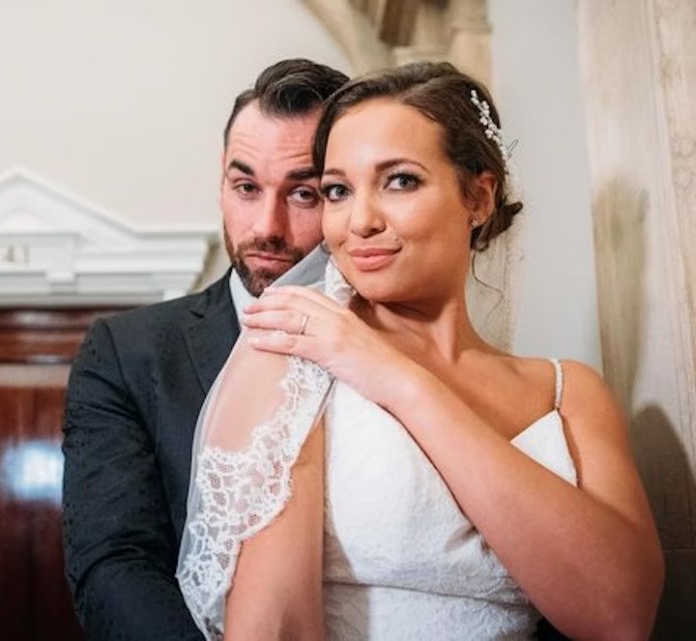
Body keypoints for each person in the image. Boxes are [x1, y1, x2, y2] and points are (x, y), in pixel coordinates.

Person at [177, 61, 664, 640]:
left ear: (479, 197)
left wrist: (397, 379)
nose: (360, 221)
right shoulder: (293, 360)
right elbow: (275, 628)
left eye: (400, 180)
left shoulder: (569, 393)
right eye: (337, 190)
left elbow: (621, 616)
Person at [61, 58, 349, 640]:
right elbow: (114, 562)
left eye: (305, 194)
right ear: (222, 180)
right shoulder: (126, 352)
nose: (266, 226)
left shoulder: (409, 345)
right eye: (246, 187)